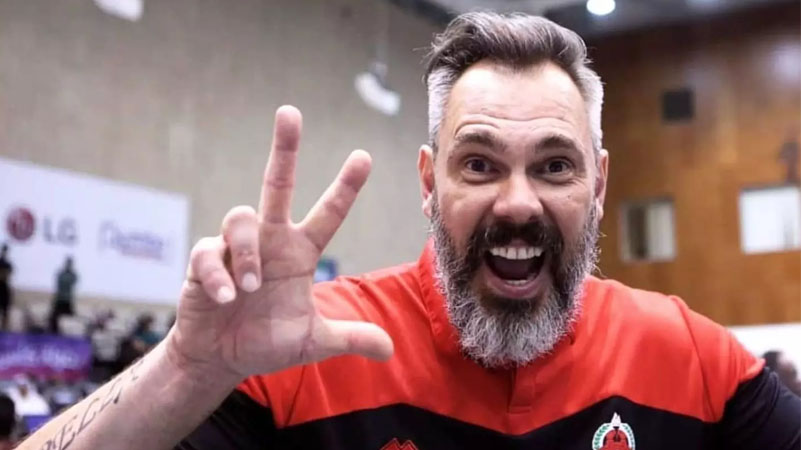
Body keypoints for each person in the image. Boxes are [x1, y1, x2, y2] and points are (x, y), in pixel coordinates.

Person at [16, 12, 800, 450]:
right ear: (429, 183)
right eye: (479, 164)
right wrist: (188, 369)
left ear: (598, 186)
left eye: (554, 166)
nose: (517, 203)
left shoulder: (690, 358)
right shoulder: (305, 355)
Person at [48, 256, 78, 334]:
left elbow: (72, 282)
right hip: (60, 300)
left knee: (71, 321)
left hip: (67, 300)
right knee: (53, 319)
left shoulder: (72, 275)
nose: (68, 265)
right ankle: (54, 334)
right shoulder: (62, 274)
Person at [0, 244, 13, 331]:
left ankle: (4, 329)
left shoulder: (8, 264)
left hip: (4, 288)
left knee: (5, 310)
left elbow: (8, 275)